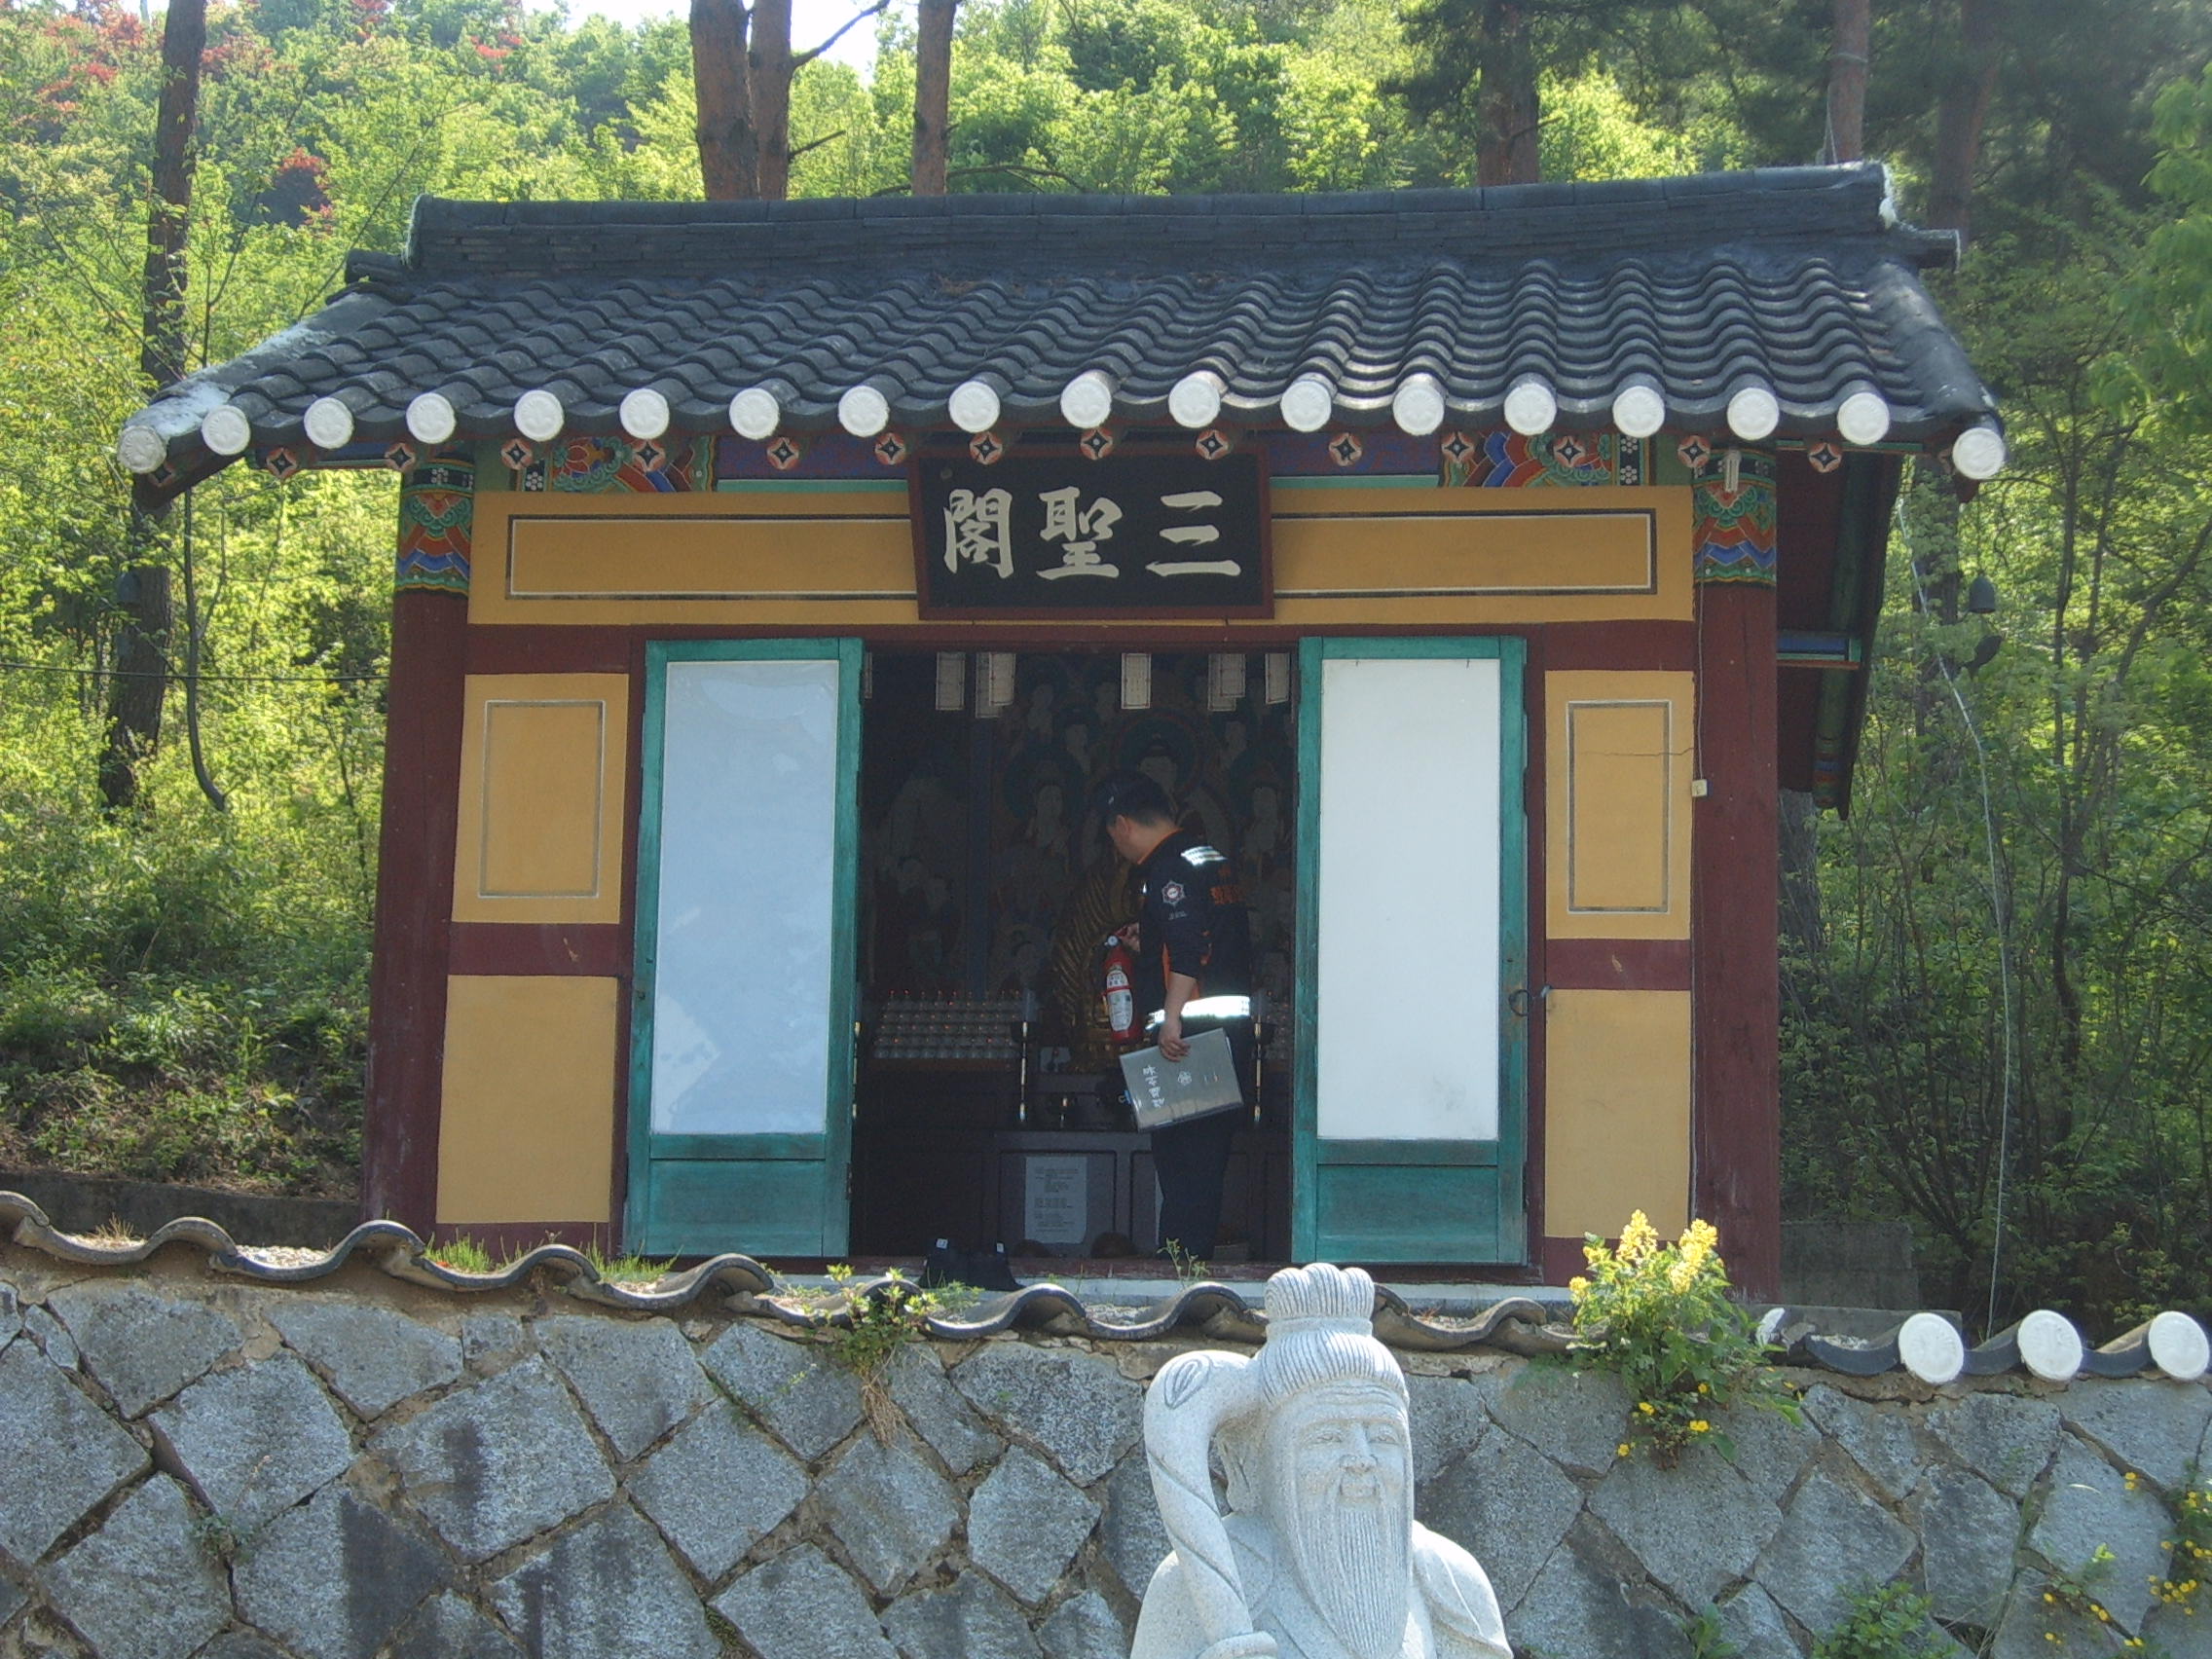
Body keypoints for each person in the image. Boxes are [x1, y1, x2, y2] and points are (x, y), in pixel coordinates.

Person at [1132, 1263, 1510, 1659]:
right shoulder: (1197, 1587)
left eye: (1383, 1436)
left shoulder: (1448, 1579)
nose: (1362, 1459)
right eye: (1327, 1437)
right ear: (1252, 1464)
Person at [1095, 768, 1254, 1262]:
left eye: (1112, 837)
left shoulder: (1167, 869)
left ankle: (1181, 1271)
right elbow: (1208, 936)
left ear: (1122, 825)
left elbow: (1190, 950)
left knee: (1183, 1167)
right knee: (1204, 1168)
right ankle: (1188, 1264)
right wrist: (1150, 944)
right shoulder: (1208, 858)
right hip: (1225, 1037)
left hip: (1190, 1043)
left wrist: (1170, 1020)